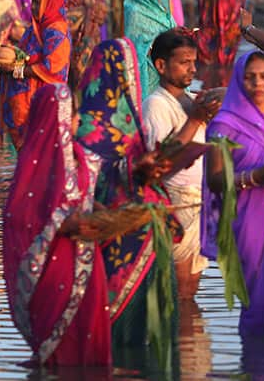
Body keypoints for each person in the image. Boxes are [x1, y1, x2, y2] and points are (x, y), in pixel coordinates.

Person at [76, 38, 178, 354]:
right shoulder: (87, 129)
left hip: (147, 235)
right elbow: (90, 179)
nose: (132, 82)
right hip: (118, 242)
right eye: (128, 72)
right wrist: (132, 167)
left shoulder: (130, 124)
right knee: (123, 339)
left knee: (155, 342)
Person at [3, 83, 111, 367]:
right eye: (73, 115)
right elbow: (25, 219)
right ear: (61, 119)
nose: (78, 121)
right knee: (60, 359)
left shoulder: (80, 157)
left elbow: (84, 202)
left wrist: (110, 215)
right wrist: (69, 221)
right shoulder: (34, 167)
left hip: (86, 267)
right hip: (53, 272)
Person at [203, 51, 264, 335]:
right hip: (250, 221)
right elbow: (215, 180)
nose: (257, 83)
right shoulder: (224, 125)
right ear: (238, 81)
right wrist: (256, 177)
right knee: (259, 300)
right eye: (249, 77)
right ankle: (258, 363)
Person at [143, 30, 221, 300]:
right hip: (175, 204)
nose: (192, 68)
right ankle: (182, 340)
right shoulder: (156, 104)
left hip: (198, 203)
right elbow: (163, 161)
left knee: (190, 290)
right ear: (161, 66)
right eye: (184, 62)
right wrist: (196, 119)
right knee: (179, 290)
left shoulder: (189, 101)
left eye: (193, 61)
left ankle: (190, 342)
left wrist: (208, 114)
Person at [0, 0, 71, 149]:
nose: (33, 7)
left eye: (38, 3)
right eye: (33, 2)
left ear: (49, 4)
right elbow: (23, 58)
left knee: (40, 151)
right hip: (25, 99)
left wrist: (14, 70)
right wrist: (4, 64)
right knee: (29, 153)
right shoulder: (35, 28)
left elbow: (50, 68)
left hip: (43, 100)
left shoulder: (56, 31)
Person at [123, 0, 176, 101]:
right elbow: (135, 48)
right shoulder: (135, 11)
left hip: (165, 71)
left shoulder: (163, 12)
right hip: (149, 74)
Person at [197, 0, 246, 87]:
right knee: (226, 65)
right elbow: (242, 0)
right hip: (234, 27)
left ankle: (212, 90)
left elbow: (213, 5)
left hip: (217, 26)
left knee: (211, 66)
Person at [62, 0, 107, 88]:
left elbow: (102, 16)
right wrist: (88, 12)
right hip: (74, 43)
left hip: (92, 43)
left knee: (92, 80)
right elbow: (65, 14)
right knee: (75, 82)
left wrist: (99, 15)